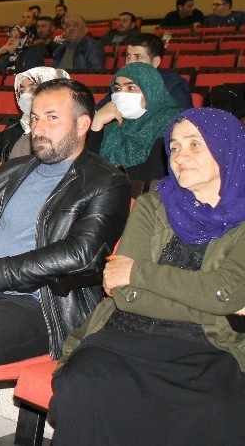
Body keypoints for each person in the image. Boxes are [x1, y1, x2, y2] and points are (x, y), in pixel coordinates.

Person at [0, 79, 130, 446]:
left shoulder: (106, 181)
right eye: (35, 118)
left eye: (52, 118)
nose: (39, 129)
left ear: (82, 124)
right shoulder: (12, 170)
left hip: (38, 304)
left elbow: (80, 253)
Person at [51, 108, 245, 445]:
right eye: (174, 147)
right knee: (81, 385)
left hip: (205, 350)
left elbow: (224, 292)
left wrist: (139, 273)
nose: (180, 156)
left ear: (226, 148)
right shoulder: (152, 206)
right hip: (123, 337)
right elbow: (126, 297)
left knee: (216, 409)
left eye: (195, 145)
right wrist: (210, 300)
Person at [88, 62, 182, 182]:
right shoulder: (113, 125)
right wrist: (96, 124)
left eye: (131, 88)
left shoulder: (172, 120)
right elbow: (85, 167)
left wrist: (105, 179)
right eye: (117, 89)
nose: (121, 94)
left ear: (150, 90)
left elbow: (155, 171)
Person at [0, 66, 70, 169]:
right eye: (22, 91)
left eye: (33, 89)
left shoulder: (64, 130)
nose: (25, 96)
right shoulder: (16, 125)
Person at [117, 32, 192, 110]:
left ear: (155, 62)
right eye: (128, 56)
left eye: (138, 57)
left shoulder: (174, 85)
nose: (130, 62)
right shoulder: (121, 82)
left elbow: (184, 119)